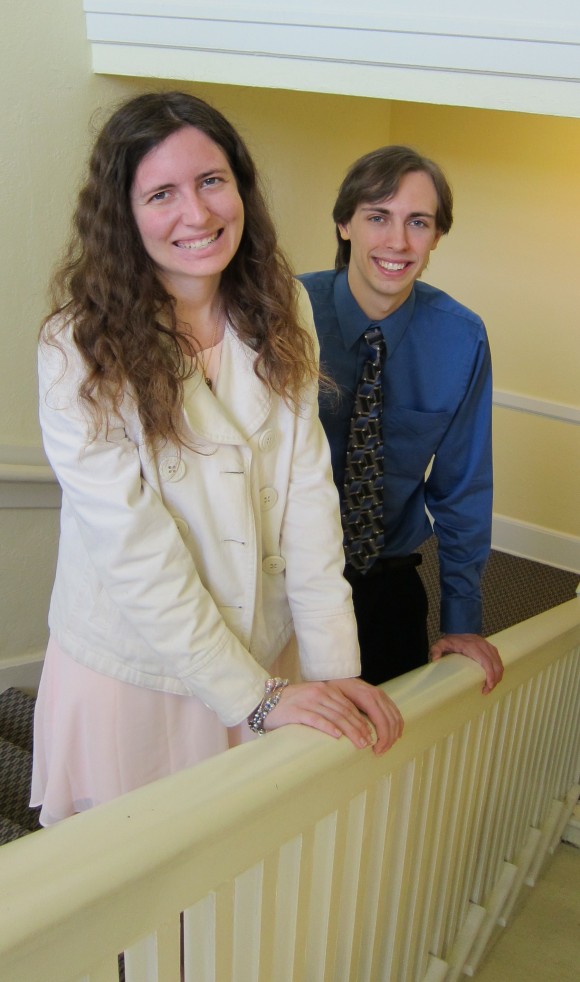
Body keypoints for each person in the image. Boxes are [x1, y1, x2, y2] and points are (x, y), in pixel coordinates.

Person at [31, 93, 403, 827]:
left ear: (240, 187)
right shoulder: (74, 348)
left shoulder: (284, 305)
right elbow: (137, 555)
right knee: (138, 888)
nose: (197, 215)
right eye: (161, 193)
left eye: (211, 180)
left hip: (267, 651)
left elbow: (307, 496)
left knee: (243, 876)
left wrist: (336, 672)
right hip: (139, 673)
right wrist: (253, 696)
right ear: (123, 215)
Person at [299, 145, 503, 693]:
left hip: (383, 575)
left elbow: (462, 487)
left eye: (418, 222)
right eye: (377, 217)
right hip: (283, 578)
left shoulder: (461, 339)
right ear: (345, 224)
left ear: (437, 236)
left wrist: (462, 620)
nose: (398, 242)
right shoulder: (283, 314)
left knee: (393, 751)